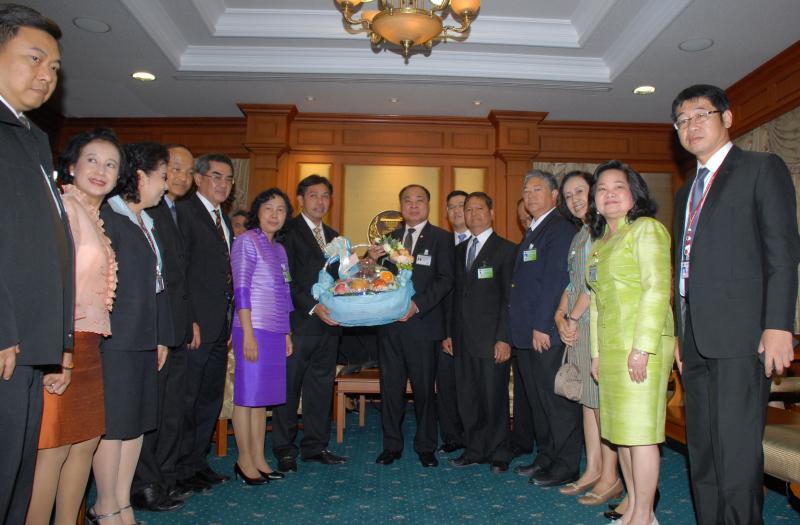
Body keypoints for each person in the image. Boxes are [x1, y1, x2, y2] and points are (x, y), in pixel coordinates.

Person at [671, 84, 800, 525]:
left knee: (737, 450)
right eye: (682, 120)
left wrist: (779, 325)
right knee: (704, 449)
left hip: (744, 335)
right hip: (695, 337)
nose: (691, 125)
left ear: (726, 118)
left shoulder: (761, 169)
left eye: (700, 115)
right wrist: (680, 332)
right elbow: (684, 266)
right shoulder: (687, 190)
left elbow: (782, 252)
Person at [0, 5, 74, 523]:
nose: (46, 74)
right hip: (7, 336)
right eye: (34, 58)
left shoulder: (30, 137)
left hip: (31, 340)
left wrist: (59, 340)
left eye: (54, 67)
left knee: (16, 474)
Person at [25, 129, 120, 525]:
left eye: (111, 164)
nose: (101, 170)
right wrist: (60, 352)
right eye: (92, 160)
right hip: (64, 342)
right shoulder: (64, 207)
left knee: (84, 443)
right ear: (71, 166)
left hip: (90, 343)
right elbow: (51, 283)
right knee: (52, 450)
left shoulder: (94, 216)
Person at [587, 160, 674, 525]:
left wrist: (642, 347)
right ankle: (634, 509)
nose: (609, 194)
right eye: (602, 189)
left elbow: (657, 290)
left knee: (640, 434)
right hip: (610, 349)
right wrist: (596, 353)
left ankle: (645, 515)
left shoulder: (646, 230)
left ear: (634, 194)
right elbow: (596, 304)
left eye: (618, 187)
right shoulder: (599, 244)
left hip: (642, 345)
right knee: (621, 433)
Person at [92, 141, 172, 525]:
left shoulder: (145, 222)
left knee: (137, 424)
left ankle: (122, 503)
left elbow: (156, 286)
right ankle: (105, 505)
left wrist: (159, 336)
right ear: (139, 176)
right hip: (117, 339)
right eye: (162, 176)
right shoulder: (109, 217)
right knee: (117, 425)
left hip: (143, 336)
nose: (166, 185)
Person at [131, 145, 197, 511]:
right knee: (152, 411)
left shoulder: (177, 211)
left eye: (188, 171)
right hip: (154, 327)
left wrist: (189, 321)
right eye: (175, 169)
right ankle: (145, 484)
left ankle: (165, 478)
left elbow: (183, 275)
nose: (182, 177)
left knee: (173, 409)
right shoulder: (145, 212)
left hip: (177, 326)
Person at [370, 184, 455, 468]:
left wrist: (416, 305)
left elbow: (445, 279)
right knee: (390, 389)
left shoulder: (442, 238)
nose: (414, 205)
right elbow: (376, 278)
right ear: (401, 206)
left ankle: (426, 446)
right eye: (408, 200)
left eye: (419, 200)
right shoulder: (388, 239)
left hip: (423, 325)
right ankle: (391, 445)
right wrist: (370, 261)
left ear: (428, 206)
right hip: (390, 326)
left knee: (424, 390)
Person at [509, 170, 582, 487]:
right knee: (538, 402)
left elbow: (555, 281)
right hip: (526, 333)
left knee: (556, 402)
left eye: (537, 189)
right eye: (526, 191)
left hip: (545, 332)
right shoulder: (534, 229)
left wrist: (542, 325)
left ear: (554, 195)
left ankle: (566, 464)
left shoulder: (559, 228)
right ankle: (547, 456)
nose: (530, 195)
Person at [553, 171, 622, 506]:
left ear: (594, 192)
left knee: (601, 404)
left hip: (595, 325)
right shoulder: (581, 233)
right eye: (568, 196)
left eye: (580, 191)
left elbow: (595, 285)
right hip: (577, 327)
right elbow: (572, 283)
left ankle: (611, 476)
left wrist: (572, 317)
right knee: (587, 401)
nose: (575, 200)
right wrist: (559, 314)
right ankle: (593, 468)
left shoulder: (604, 231)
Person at [272, 174, 346, 472]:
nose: (320, 201)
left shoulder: (335, 236)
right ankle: (284, 448)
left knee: (321, 386)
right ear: (300, 199)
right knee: (289, 387)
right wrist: (313, 306)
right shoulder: (286, 231)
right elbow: (284, 279)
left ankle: (316, 446)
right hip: (298, 323)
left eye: (325, 196)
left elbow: (341, 279)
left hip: (330, 325)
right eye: (313, 195)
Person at [444, 192, 516, 473]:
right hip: (462, 339)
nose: (473, 214)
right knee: (468, 397)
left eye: (479, 209)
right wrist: (448, 333)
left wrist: (504, 338)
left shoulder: (506, 250)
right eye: (468, 209)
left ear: (491, 213)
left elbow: (509, 300)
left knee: (493, 398)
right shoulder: (458, 251)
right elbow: (453, 297)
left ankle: (498, 451)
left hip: (492, 340)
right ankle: (474, 449)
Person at [175, 153, 235, 490]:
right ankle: (179, 469)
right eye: (216, 176)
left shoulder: (223, 220)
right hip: (196, 328)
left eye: (228, 178)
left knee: (209, 399)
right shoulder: (184, 213)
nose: (223, 184)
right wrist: (190, 320)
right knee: (187, 399)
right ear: (198, 179)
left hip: (220, 326)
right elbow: (180, 273)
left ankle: (197, 462)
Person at [230, 189, 294, 485]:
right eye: (268, 208)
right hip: (252, 327)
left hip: (275, 330)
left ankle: (258, 457)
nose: (274, 214)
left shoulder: (279, 250)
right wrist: (248, 334)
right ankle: (243, 459)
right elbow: (241, 290)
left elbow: (285, 293)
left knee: (261, 399)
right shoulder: (246, 241)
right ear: (257, 211)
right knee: (247, 397)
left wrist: (287, 333)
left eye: (280, 209)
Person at [438, 189, 468, 454]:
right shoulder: (440, 243)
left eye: (462, 205)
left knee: (472, 385)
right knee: (446, 384)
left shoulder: (485, 242)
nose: (457, 211)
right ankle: (451, 436)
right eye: (451, 207)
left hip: (475, 329)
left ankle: (474, 435)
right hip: (444, 326)